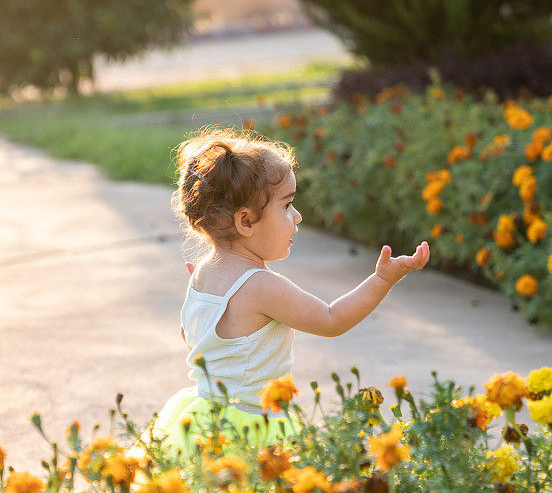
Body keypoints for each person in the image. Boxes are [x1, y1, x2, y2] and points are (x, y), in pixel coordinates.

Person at [137, 127, 429, 456]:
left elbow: (192, 337)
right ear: (245, 222)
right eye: (287, 206)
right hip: (254, 425)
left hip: (205, 418)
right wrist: (382, 280)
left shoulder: (202, 273)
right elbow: (331, 319)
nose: (298, 216)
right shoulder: (261, 285)